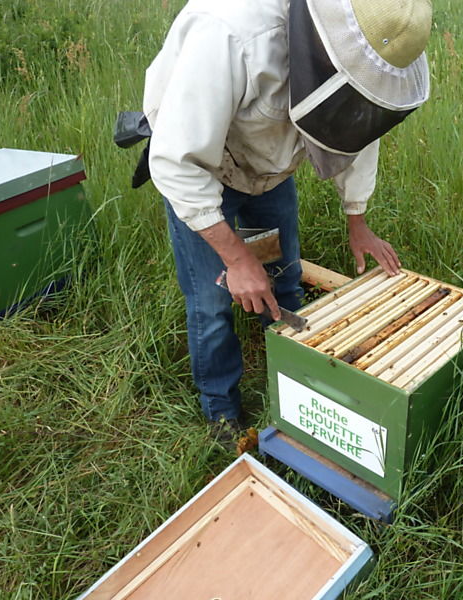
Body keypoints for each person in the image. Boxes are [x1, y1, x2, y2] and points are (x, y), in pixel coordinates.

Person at [142, 0, 432, 446]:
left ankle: (295, 373)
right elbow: (177, 163)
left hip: (270, 176)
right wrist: (236, 259)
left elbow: (361, 127)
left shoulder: (368, 38)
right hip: (203, 173)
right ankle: (221, 411)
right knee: (213, 300)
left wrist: (358, 219)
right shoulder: (230, 33)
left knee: (281, 274)